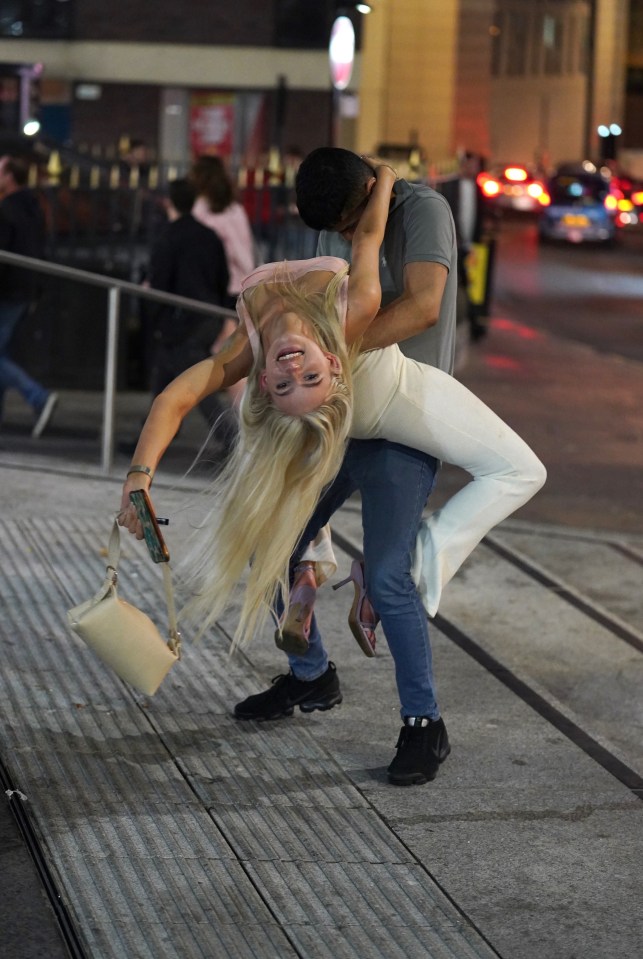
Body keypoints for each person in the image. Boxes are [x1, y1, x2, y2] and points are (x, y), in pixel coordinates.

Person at [118, 154, 546, 785]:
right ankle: (312, 676)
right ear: (263, 382)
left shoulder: (396, 245)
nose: (292, 369)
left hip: (401, 415)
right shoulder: (276, 331)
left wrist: (336, 342)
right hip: (332, 428)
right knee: (270, 550)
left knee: (395, 576)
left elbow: (422, 301)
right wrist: (137, 478)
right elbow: (177, 397)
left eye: (303, 375)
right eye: (287, 377)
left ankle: (423, 723)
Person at [146, 177, 236, 449]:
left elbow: (159, 283)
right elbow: (224, 276)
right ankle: (154, 434)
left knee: (194, 381)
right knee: (166, 370)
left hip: (181, 318)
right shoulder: (209, 235)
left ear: (168, 202)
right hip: (208, 313)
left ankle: (231, 438)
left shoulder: (168, 237)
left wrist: (153, 319)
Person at [0, 154, 58, 437]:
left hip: (7, 290)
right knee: (3, 351)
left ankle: (38, 396)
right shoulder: (34, 207)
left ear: (10, 177)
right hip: (26, 289)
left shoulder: (6, 209)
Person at [190, 155, 256, 310]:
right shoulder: (236, 210)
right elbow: (245, 251)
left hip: (213, 287)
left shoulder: (200, 211)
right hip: (239, 286)